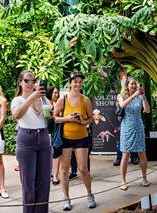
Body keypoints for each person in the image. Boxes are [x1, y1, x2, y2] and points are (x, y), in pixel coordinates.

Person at [54, 72, 96, 210]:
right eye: (75, 81)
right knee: (64, 169)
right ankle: (66, 198)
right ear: (70, 83)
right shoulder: (62, 99)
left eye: (79, 81)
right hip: (65, 138)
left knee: (83, 168)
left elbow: (91, 118)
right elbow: (55, 118)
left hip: (81, 137)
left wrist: (83, 121)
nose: (77, 84)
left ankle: (90, 195)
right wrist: (68, 118)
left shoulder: (86, 100)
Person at [11, 71, 52, 213]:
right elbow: (16, 115)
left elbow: (49, 117)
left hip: (44, 137)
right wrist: (30, 98)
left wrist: (51, 112)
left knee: (44, 181)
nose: (30, 84)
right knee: (28, 182)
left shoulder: (44, 99)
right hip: (26, 138)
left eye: (32, 81)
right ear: (20, 82)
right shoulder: (17, 100)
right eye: (27, 81)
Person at [117, 77, 151, 191]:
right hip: (126, 126)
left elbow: (147, 111)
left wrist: (144, 97)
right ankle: (123, 180)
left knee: (142, 154)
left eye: (135, 84)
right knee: (125, 155)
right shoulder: (121, 95)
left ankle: (144, 178)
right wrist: (134, 95)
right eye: (132, 84)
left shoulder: (140, 97)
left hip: (138, 126)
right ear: (127, 85)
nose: (134, 86)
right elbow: (122, 105)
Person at [46, 86, 61, 185]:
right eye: (54, 93)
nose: (56, 94)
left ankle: (55, 176)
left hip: (56, 131)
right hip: (45, 131)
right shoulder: (44, 104)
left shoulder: (58, 104)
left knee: (56, 152)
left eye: (57, 93)